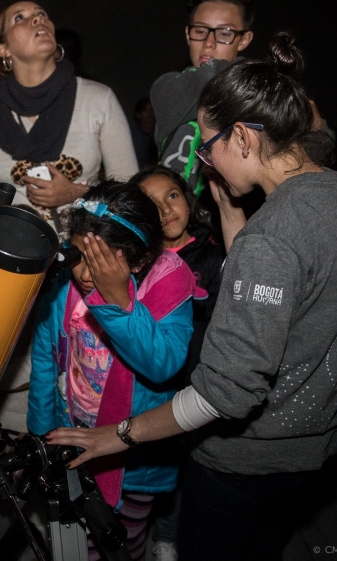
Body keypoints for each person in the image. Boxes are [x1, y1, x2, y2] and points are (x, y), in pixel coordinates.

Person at [46, 33, 337, 561]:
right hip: (311, 446)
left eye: (207, 146)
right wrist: (230, 209)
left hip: (245, 460)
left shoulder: (271, 238)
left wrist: (121, 436)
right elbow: (291, 286)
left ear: (244, 137)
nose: (203, 162)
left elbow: (226, 395)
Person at [28, 179, 203, 561]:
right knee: (78, 536)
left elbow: (163, 365)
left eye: (103, 262)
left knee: (121, 541)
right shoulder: (66, 284)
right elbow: (47, 354)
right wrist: (42, 431)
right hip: (73, 435)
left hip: (136, 460)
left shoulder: (169, 285)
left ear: (139, 260)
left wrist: (120, 300)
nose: (87, 275)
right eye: (80, 256)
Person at [0, 0, 138, 241]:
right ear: (3, 49)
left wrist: (76, 193)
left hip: (87, 250)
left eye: (42, 14)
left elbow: (130, 192)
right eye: (20, 17)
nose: (38, 19)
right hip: (16, 253)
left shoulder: (97, 99)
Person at [130, 165, 225, 560]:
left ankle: (167, 537)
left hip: (200, 385)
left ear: (187, 198)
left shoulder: (216, 255)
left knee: (187, 467)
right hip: (152, 385)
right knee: (152, 464)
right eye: (151, 204)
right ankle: (140, 528)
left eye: (172, 195)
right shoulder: (136, 262)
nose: (166, 209)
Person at [150, 0, 254, 197]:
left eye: (224, 33)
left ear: (244, 39)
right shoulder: (167, 87)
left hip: (226, 220)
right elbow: (209, 77)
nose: (209, 42)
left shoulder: (254, 89)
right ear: (188, 34)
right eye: (200, 30)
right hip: (167, 215)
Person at [129, 98, 158, 170]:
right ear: (138, 115)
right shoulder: (132, 135)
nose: (150, 113)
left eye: (152, 109)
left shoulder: (160, 134)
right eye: (146, 110)